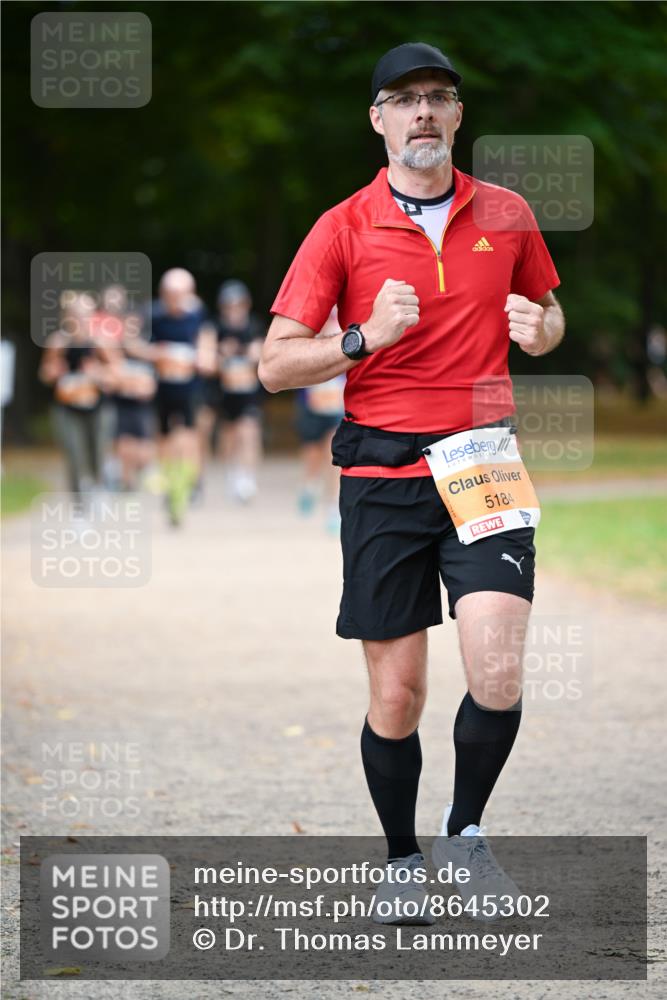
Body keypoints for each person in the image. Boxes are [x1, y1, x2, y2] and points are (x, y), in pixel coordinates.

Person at [260, 42, 564, 923]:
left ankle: (464, 836)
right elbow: (275, 366)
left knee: (497, 666)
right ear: (378, 120)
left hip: (482, 461)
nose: (422, 112)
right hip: (382, 471)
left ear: (458, 115)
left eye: (437, 97)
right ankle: (400, 858)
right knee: (398, 693)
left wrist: (541, 331)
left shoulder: (506, 213)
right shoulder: (341, 227)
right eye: (404, 100)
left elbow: (547, 312)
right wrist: (360, 339)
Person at [132, 268, 216, 524]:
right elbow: (132, 344)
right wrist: (155, 353)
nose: (174, 298)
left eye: (180, 293)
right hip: (163, 389)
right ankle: (171, 486)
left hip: (191, 389)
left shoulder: (199, 316)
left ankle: (190, 482)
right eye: (170, 294)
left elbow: (208, 351)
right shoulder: (153, 315)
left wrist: (203, 358)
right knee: (165, 439)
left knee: (190, 437)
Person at [39, 290, 116, 498]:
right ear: (67, 316)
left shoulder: (101, 343)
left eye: (85, 314)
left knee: (97, 451)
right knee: (73, 453)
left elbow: (116, 374)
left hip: (97, 407)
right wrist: (53, 373)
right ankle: (79, 502)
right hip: (67, 408)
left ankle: (99, 485)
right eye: (75, 314)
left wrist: (98, 374)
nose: (80, 320)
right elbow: (45, 374)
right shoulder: (58, 342)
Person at [295, 307, 345, 532]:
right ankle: (310, 485)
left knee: (333, 453)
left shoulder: (347, 331)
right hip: (311, 402)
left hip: (336, 404)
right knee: (313, 453)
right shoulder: (306, 332)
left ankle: (333, 506)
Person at [215, 280, 265, 502]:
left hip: (249, 392)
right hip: (225, 392)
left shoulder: (253, 326)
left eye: (238, 305)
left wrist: (254, 352)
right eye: (230, 306)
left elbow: (262, 351)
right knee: (229, 434)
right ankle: (231, 472)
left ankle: (247, 476)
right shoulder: (217, 328)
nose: (234, 310)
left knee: (249, 431)